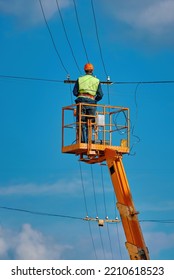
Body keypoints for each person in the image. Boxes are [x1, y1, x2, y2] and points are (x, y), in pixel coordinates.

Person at [73, 63, 103, 143]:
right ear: (92, 70)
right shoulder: (97, 80)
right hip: (91, 103)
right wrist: (94, 100)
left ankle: (82, 141)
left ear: (84, 70)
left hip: (81, 102)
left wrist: (81, 95)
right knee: (90, 122)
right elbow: (100, 95)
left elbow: (75, 92)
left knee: (81, 121)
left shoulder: (80, 79)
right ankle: (89, 141)